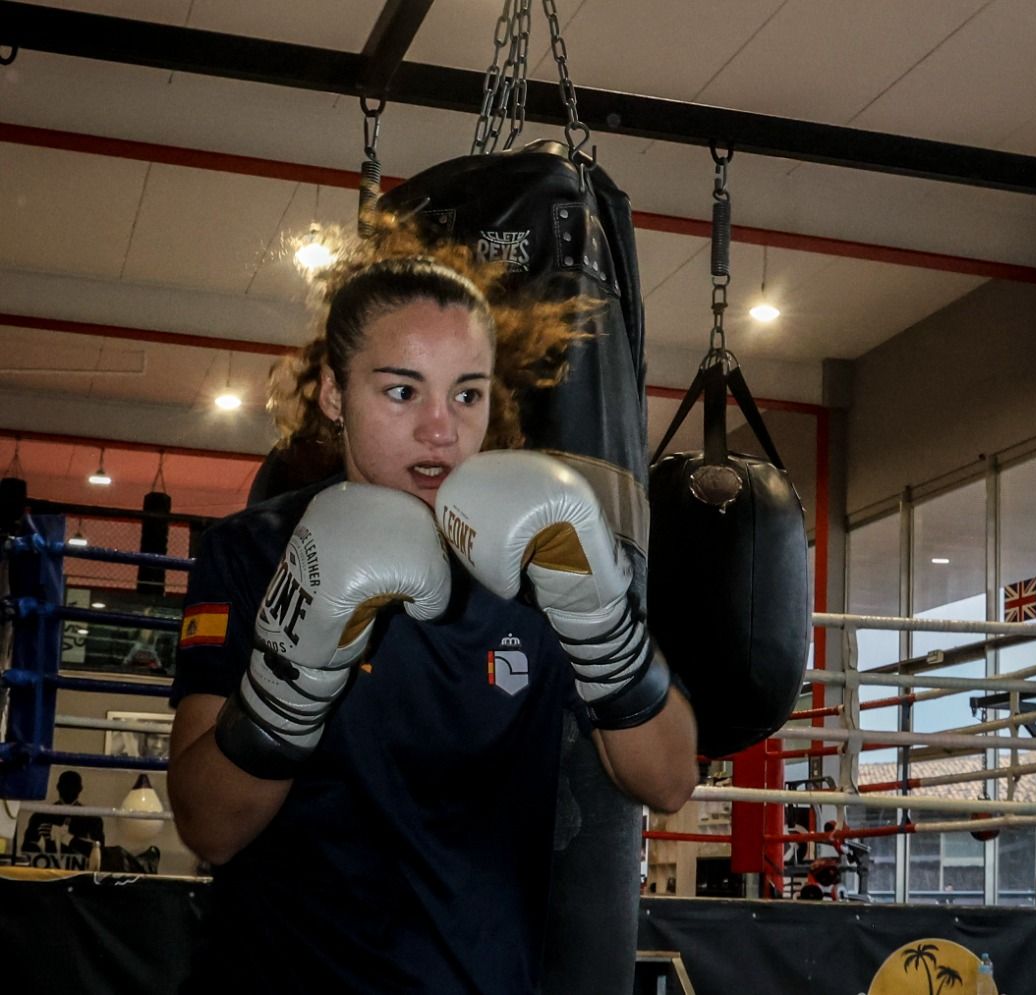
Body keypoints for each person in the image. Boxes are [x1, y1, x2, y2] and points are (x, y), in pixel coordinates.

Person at [166, 220, 698, 993]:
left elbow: (670, 779)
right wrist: (287, 686)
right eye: (401, 389)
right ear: (333, 395)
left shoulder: (538, 552)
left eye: (467, 393)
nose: (441, 428)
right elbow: (207, 826)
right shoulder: (253, 551)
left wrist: (604, 626)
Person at [20, 770, 105, 865]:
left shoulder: (92, 819)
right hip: (46, 870)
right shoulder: (41, 816)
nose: (69, 789)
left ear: (80, 789)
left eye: (73, 786)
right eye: (66, 785)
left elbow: (99, 853)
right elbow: (27, 849)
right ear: (58, 787)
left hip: (79, 874)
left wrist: (66, 838)